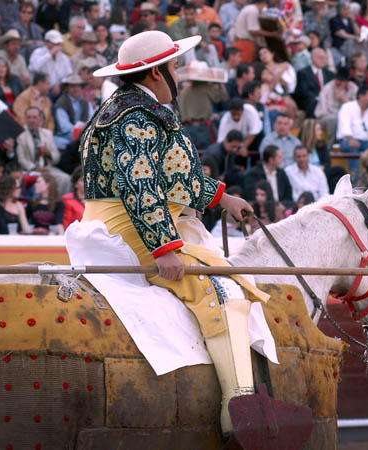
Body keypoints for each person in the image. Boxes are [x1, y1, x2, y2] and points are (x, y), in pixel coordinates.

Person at [72, 30, 274, 435]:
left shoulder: (127, 109)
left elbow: (174, 176)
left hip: (124, 221)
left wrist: (221, 197)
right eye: (175, 66)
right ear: (156, 74)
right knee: (223, 288)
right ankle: (239, 411)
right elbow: (142, 186)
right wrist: (163, 249)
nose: (178, 74)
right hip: (130, 230)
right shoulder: (136, 118)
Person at [16, 106, 71, 194]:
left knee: (66, 178)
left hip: (47, 168)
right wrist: (35, 168)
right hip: (31, 170)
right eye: (29, 117)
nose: (32, 120)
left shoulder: (47, 134)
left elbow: (56, 157)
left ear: (40, 119)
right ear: (25, 119)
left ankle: (60, 202)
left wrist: (48, 153)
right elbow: (21, 159)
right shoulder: (21, 135)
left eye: (35, 117)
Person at [336, 86, 368, 171]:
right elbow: (344, 126)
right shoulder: (347, 107)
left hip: (365, 143)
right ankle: (356, 177)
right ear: (361, 96)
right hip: (347, 141)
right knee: (353, 147)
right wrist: (351, 139)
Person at [315, 66, 358, 144]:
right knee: (335, 119)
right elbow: (323, 112)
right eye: (337, 79)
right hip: (326, 118)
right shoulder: (328, 88)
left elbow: (357, 109)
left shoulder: (354, 88)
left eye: (341, 81)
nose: (338, 82)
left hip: (348, 117)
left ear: (347, 82)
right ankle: (333, 147)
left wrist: (345, 100)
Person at [170, 3, 220, 68]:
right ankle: (192, 73)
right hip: (180, 55)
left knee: (211, 48)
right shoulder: (176, 24)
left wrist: (203, 43)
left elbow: (209, 42)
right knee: (189, 49)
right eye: (186, 14)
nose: (189, 17)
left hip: (197, 53)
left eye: (191, 14)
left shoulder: (201, 25)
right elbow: (180, 43)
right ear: (183, 14)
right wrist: (194, 39)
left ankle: (215, 72)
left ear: (196, 14)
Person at [28, 30, 73, 98]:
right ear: (47, 43)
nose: (58, 46)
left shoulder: (63, 57)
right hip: (41, 90)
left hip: (59, 89)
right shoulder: (37, 52)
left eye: (59, 43)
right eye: (55, 43)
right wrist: (50, 54)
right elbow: (34, 67)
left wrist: (59, 84)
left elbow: (69, 74)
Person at [53, 74, 93, 150]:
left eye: (78, 86)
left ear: (81, 88)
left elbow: (92, 120)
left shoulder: (86, 103)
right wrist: (79, 133)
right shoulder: (61, 103)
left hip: (84, 135)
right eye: (72, 86)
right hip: (65, 136)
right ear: (67, 88)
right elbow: (64, 127)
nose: (75, 89)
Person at [293, 47, 334, 117]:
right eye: (320, 58)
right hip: (311, 102)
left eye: (324, 58)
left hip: (327, 101)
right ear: (312, 58)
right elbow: (304, 92)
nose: (323, 60)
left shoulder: (330, 74)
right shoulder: (303, 73)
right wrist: (321, 99)